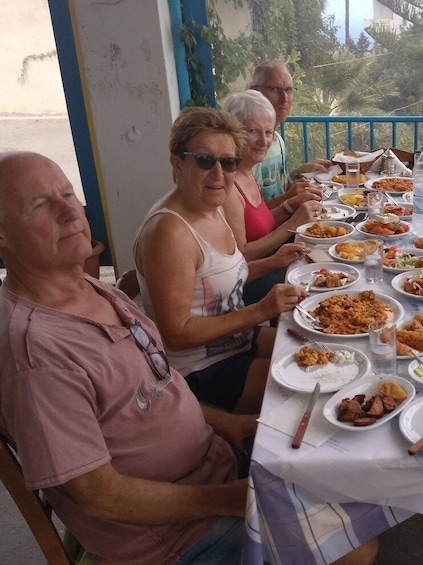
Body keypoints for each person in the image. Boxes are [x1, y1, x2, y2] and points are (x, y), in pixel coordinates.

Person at [0, 151, 253, 564]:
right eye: (42, 205)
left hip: (216, 470)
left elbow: (158, 382)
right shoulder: (37, 356)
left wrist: (231, 424)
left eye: (69, 194)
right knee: (353, 546)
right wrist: (227, 500)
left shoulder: (90, 288)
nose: (72, 212)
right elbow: (100, 496)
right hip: (174, 539)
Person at [133, 107, 310, 414]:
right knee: (311, 386)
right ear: (177, 162)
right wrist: (260, 310)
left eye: (228, 163)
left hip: (236, 341)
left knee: (322, 349)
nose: (218, 174)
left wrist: (272, 262)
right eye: (204, 160)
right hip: (201, 371)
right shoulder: (169, 232)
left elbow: (217, 281)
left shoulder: (209, 206)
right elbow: (176, 334)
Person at [221, 89, 322, 304]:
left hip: (269, 264)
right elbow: (242, 256)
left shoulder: (247, 171)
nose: (264, 140)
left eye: (269, 132)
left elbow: (261, 223)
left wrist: (289, 206)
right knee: (320, 283)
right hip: (245, 286)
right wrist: (293, 223)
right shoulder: (228, 186)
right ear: (232, 133)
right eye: (253, 131)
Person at [249, 61, 332, 205]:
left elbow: (282, 189)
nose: (284, 98)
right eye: (274, 89)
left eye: (288, 90)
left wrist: (300, 172)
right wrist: (289, 199)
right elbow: (251, 216)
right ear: (255, 91)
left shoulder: (278, 140)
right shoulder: (249, 146)